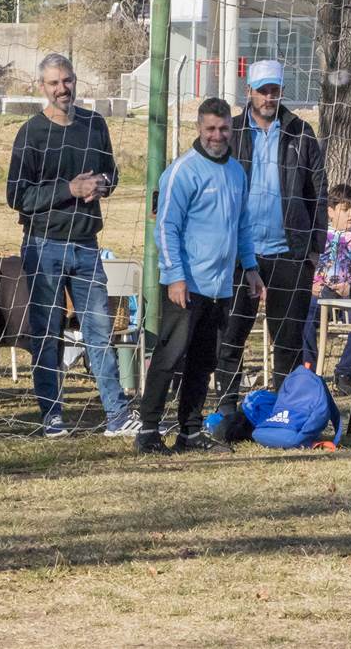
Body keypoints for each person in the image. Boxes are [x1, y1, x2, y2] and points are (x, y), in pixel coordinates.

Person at [6, 53, 137, 438]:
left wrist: (101, 185)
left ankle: (117, 415)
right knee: (48, 333)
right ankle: (52, 416)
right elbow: (16, 195)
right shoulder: (31, 133)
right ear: (41, 88)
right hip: (43, 246)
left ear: (75, 81)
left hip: (86, 244)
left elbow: (111, 172)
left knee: (99, 333)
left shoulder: (95, 125)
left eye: (67, 81)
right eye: (53, 83)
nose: (62, 89)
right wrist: (70, 189)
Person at [134, 98, 263, 455]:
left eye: (223, 128)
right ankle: (147, 431)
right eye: (210, 129)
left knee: (204, 362)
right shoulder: (182, 171)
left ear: (231, 129)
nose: (217, 135)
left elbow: (242, 225)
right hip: (185, 286)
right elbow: (166, 227)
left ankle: (190, 432)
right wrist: (175, 276)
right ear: (198, 129)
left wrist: (250, 267)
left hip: (220, 287)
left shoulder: (237, 172)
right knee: (170, 356)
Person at [212, 60, 327, 421]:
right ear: (249, 91)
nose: (268, 96)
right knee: (230, 336)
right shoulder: (230, 132)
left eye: (274, 89)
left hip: (289, 254)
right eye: (262, 90)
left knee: (289, 342)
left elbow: (318, 194)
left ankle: (287, 412)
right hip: (238, 255)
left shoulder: (301, 133)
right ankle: (226, 409)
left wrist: (313, 250)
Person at [301, 182, 351, 396]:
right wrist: (310, 285)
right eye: (344, 209)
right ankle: (308, 371)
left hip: (350, 296)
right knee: (304, 315)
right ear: (330, 212)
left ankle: (345, 373)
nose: (350, 214)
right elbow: (305, 266)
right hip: (319, 294)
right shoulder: (317, 237)